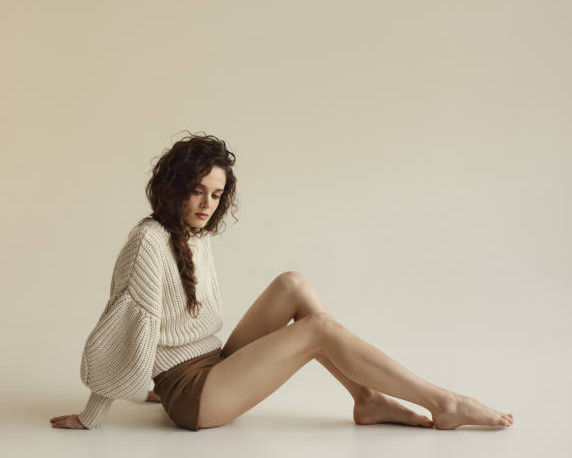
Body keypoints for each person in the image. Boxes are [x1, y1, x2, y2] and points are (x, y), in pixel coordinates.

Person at [50, 131, 514, 431]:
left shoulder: (195, 237)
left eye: (216, 194)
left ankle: (367, 398)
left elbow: (177, 329)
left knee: (292, 283)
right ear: (174, 187)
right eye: (197, 191)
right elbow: (123, 325)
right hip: (194, 398)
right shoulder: (148, 241)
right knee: (319, 332)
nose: (207, 204)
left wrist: (153, 378)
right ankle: (444, 402)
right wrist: (98, 411)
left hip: (213, 365)